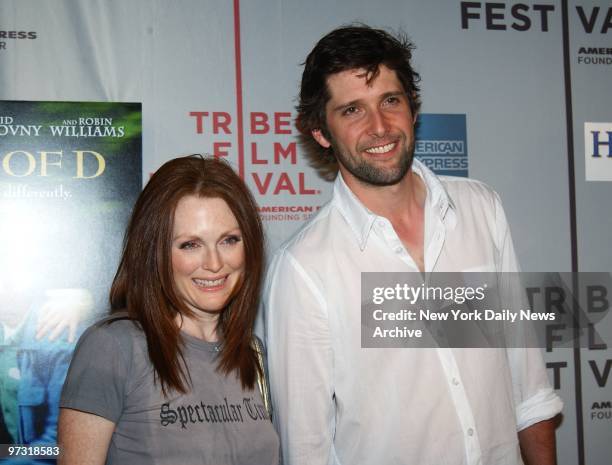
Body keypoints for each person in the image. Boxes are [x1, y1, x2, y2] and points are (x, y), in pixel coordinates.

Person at [263, 25, 563, 465]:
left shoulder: (481, 210)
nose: (379, 126)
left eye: (390, 100)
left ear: (412, 107)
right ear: (321, 134)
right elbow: (307, 449)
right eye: (351, 111)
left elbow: (528, 386)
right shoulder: (304, 268)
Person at [58, 155, 279, 465]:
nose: (214, 263)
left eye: (229, 240)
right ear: (155, 251)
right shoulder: (114, 347)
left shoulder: (252, 357)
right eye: (190, 244)